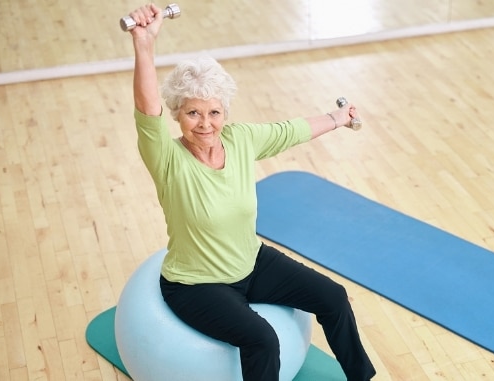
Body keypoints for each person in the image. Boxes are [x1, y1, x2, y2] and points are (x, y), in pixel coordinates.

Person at [126, 4, 376, 381]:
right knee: (262, 339)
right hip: (196, 285)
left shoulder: (239, 139)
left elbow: (288, 130)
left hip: (251, 263)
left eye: (214, 112)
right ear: (178, 114)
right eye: (193, 113)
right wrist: (144, 45)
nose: (206, 124)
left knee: (333, 297)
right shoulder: (167, 157)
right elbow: (147, 109)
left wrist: (337, 118)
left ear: (225, 113)